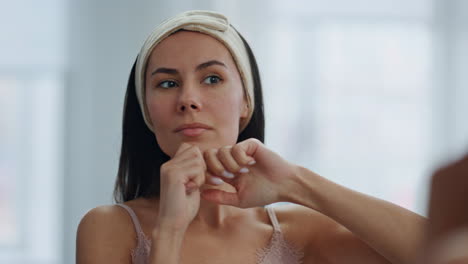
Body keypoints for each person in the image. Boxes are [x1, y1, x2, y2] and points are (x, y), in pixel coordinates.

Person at [76, 10, 426, 264]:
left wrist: (296, 183)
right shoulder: (110, 228)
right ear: (147, 112)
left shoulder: (296, 233)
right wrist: (169, 231)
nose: (188, 100)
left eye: (212, 78)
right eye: (167, 83)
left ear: (246, 101)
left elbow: (449, 254)